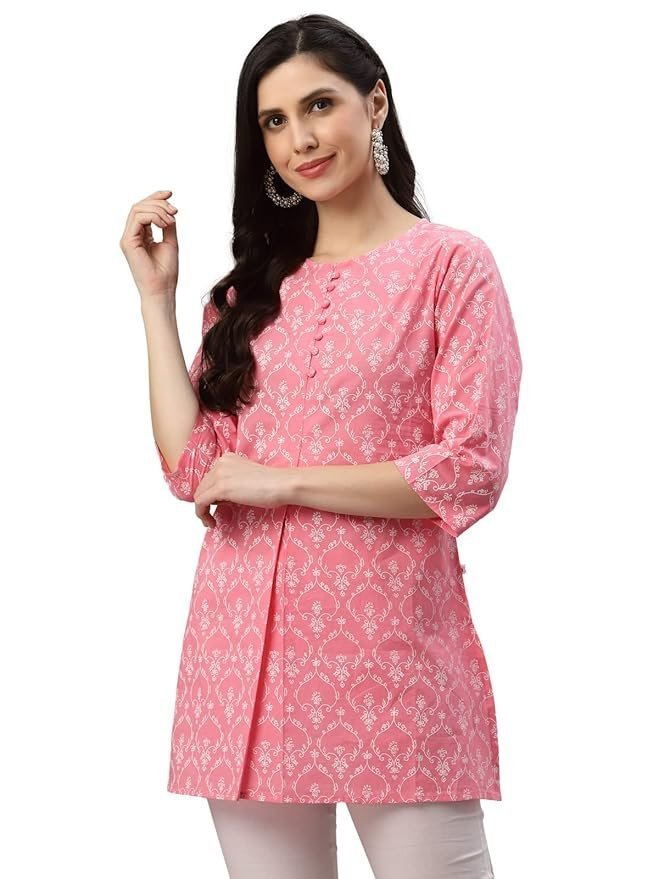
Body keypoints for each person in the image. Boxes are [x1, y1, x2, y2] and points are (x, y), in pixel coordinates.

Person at [119, 12, 521, 879]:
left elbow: (468, 469)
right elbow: (194, 470)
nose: (298, 139)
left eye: (318, 105)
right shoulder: (247, 296)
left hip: (390, 661)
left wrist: (281, 482)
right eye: (273, 120)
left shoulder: (450, 266)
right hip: (242, 667)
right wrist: (157, 300)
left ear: (375, 103)